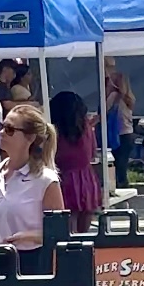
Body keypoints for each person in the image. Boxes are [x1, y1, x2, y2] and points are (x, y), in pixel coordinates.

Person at [0, 102, 65, 254]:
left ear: (30, 138)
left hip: (31, 262)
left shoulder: (45, 180)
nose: (1, 133)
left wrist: (28, 237)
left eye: (9, 129)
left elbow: (59, 231)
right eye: (2, 126)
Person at [50, 90, 101, 232]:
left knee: (68, 229)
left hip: (63, 179)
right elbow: (92, 153)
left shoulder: (54, 131)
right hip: (86, 178)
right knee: (84, 231)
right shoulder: (86, 128)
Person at [104, 58, 136, 187]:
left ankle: (119, 189)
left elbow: (104, 110)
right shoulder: (130, 99)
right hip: (128, 134)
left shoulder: (113, 96)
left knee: (116, 164)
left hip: (117, 134)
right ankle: (124, 187)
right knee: (123, 166)